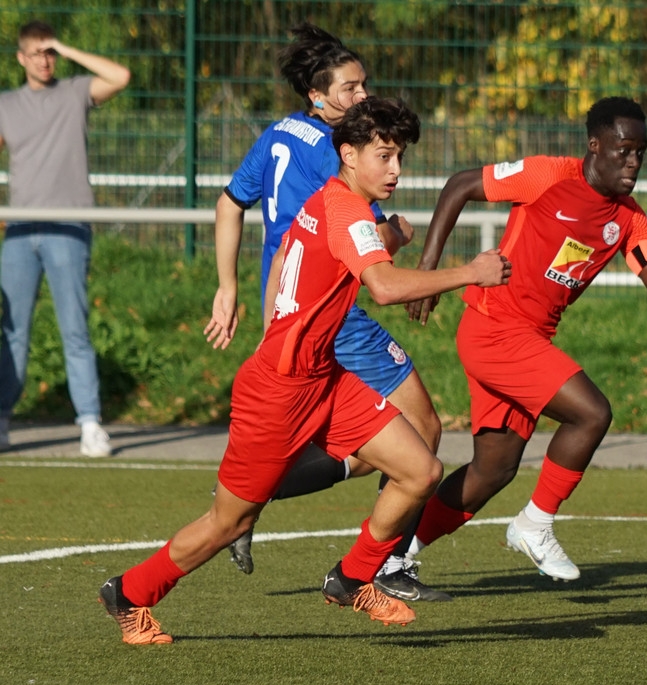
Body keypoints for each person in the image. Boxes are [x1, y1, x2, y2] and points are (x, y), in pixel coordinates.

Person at [99, 96, 512, 645]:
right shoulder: (345, 211)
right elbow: (384, 286)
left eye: (400, 157)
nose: (396, 169)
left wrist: (390, 238)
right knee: (229, 523)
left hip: (324, 379)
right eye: (384, 156)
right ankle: (129, 594)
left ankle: (352, 579)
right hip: (278, 392)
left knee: (420, 470)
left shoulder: (330, 201)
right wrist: (471, 272)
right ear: (348, 154)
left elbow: (310, 257)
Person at [403, 96, 647, 583]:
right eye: (623, 150)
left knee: (492, 470)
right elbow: (460, 184)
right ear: (595, 145)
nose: (633, 162)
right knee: (592, 412)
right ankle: (534, 524)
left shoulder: (628, 219)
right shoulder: (548, 175)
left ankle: (394, 555)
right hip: (494, 327)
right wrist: (428, 268)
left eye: (641, 152)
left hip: (527, 338)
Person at [203, 23, 447, 601]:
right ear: (317, 95)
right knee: (422, 430)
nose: (363, 96)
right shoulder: (335, 149)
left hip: (286, 305)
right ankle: (384, 566)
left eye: (364, 85)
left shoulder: (279, 133)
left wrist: (227, 287)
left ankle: (253, 498)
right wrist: (398, 234)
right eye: (350, 88)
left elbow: (229, 203)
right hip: (330, 311)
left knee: (367, 448)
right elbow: (365, 245)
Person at [0, 21, 130, 457]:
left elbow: (120, 76)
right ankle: (2, 419)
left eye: (50, 52)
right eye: (37, 53)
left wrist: (66, 48)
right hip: (20, 232)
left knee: (75, 329)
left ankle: (90, 424)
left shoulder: (74, 92)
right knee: (12, 331)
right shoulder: (6, 104)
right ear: (20, 58)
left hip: (68, 228)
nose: (45, 60)